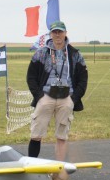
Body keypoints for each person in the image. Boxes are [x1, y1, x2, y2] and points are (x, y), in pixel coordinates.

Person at [25, 21, 88, 162]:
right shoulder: (41, 53)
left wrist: (74, 98)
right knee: (36, 133)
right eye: (55, 32)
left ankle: (59, 171)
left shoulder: (75, 54)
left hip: (67, 97)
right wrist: (39, 96)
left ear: (66, 33)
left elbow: (83, 80)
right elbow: (31, 77)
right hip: (46, 96)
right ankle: (31, 167)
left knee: (62, 136)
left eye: (60, 31)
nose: (58, 35)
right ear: (50, 34)